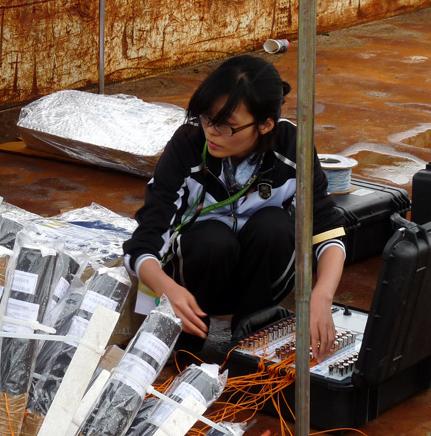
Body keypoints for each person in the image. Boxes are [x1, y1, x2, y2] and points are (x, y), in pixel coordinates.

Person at [122, 55, 346, 360]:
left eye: (228, 126)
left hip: (263, 279)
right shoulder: (187, 144)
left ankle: (254, 332)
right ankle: (190, 339)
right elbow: (143, 243)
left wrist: (321, 296)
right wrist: (167, 289)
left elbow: (327, 230)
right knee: (211, 239)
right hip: (197, 275)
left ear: (265, 125)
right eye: (207, 117)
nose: (212, 131)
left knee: (275, 225)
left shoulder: (293, 147)